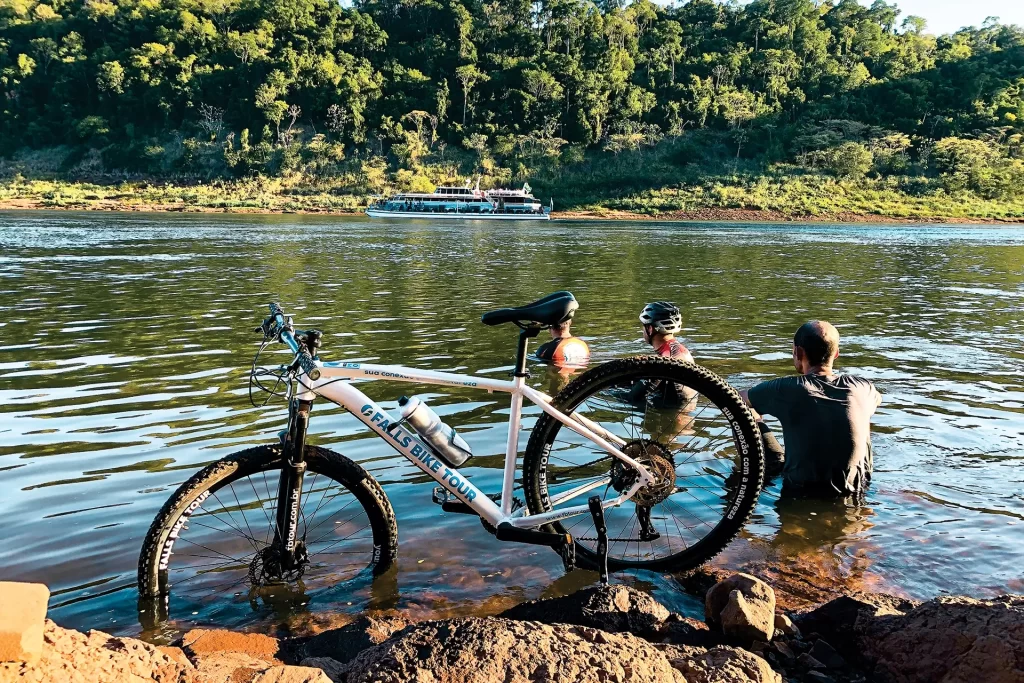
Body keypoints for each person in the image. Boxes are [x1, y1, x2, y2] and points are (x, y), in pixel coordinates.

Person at [740, 321, 882, 499]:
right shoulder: (863, 387)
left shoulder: (787, 388)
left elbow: (735, 397)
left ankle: (742, 489)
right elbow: (876, 400)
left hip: (801, 490)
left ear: (798, 352)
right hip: (857, 490)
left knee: (747, 411)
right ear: (836, 353)